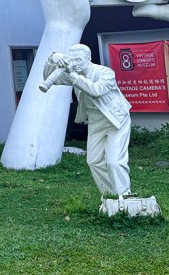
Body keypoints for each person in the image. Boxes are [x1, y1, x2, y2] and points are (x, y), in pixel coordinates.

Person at [46, 43, 132, 196]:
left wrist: (73, 76)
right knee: (93, 161)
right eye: (72, 60)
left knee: (114, 162)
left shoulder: (105, 72)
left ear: (88, 58)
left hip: (116, 120)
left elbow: (96, 90)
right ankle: (110, 195)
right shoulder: (73, 74)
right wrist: (52, 58)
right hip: (95, 120)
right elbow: (48, 77)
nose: (75, 63)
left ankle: (124, 196)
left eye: (78, 60)